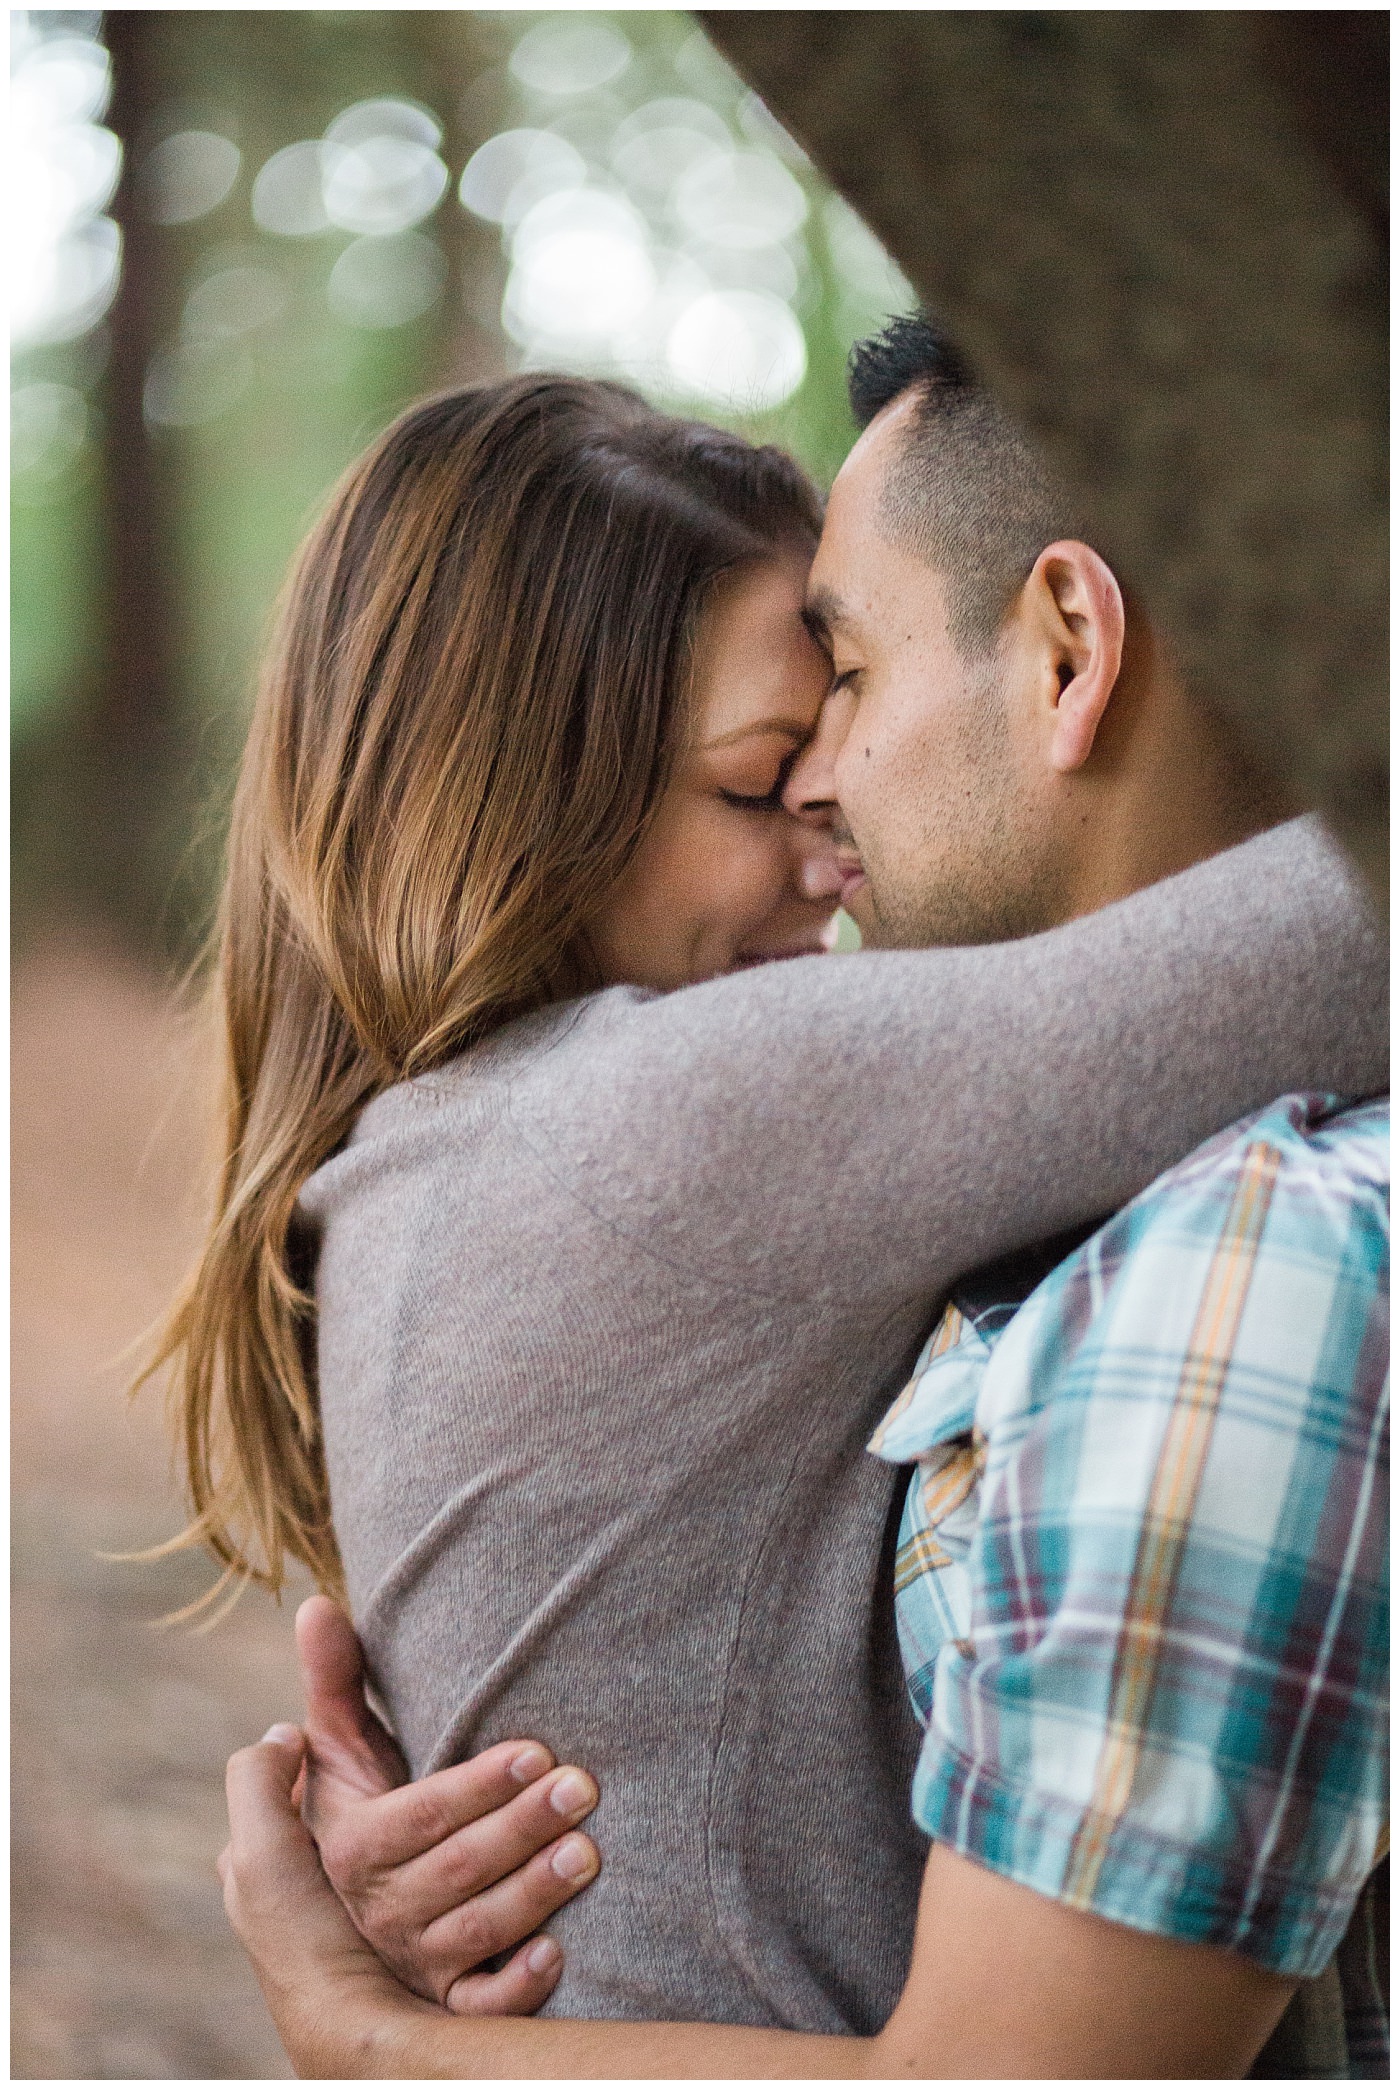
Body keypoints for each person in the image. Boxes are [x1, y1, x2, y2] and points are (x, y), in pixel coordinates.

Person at [203, 336, 1386, 2072]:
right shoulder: (656, 1123)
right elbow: (1331, 941)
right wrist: (368, 2038)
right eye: (760, 776)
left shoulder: (448, 1158)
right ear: (529, 812)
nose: (831, 816)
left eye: (850, 691)